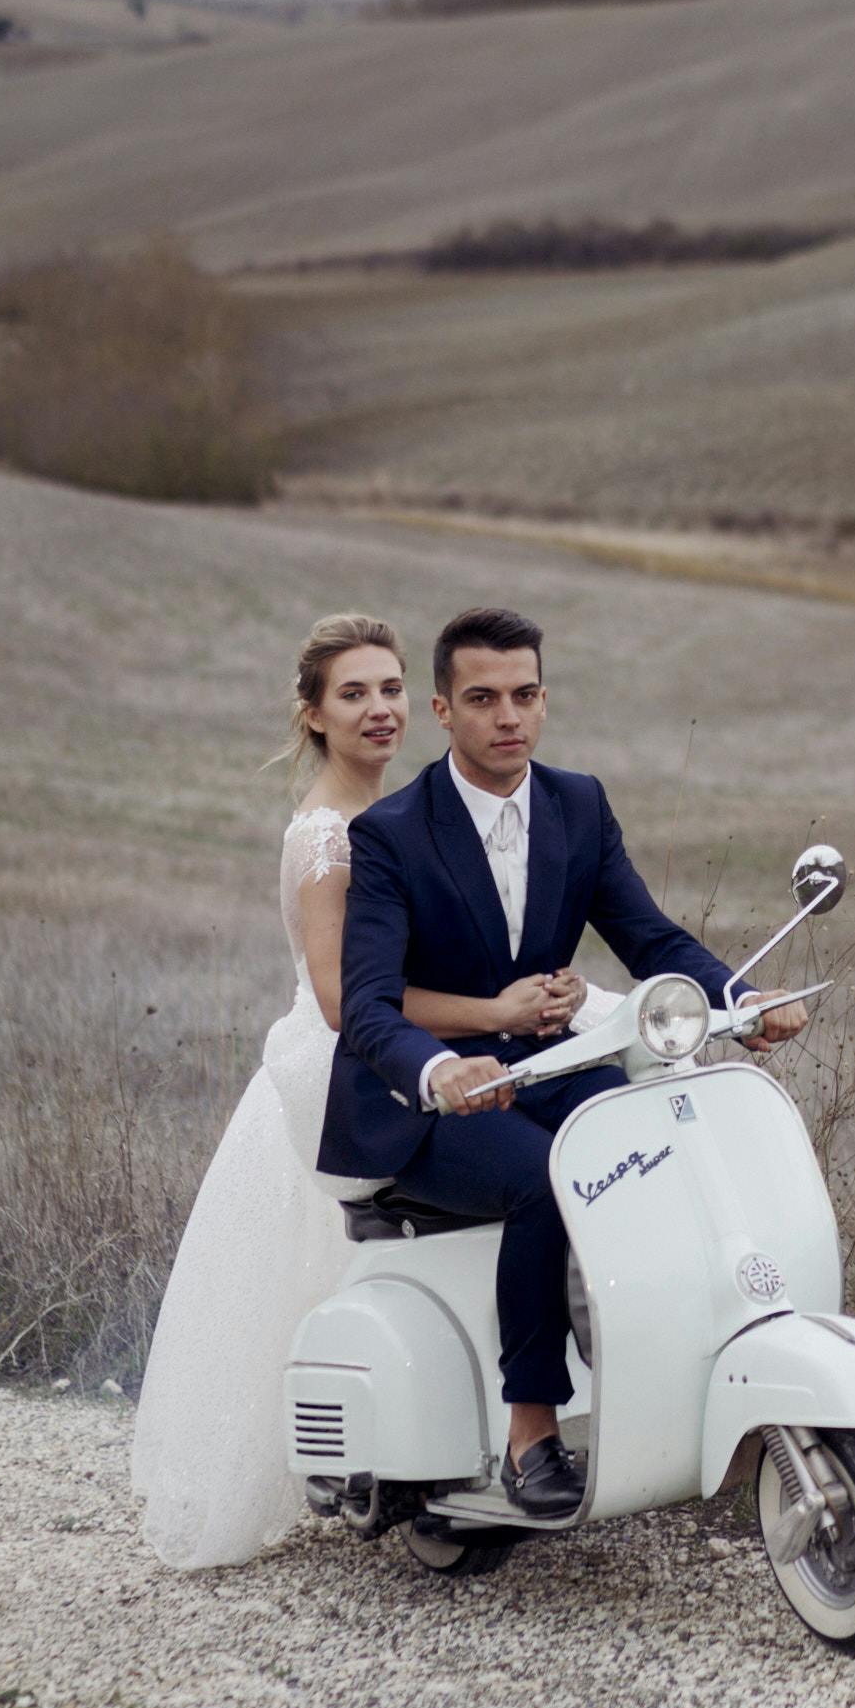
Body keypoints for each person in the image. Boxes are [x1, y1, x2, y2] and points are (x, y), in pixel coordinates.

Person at [131, 614, 592, 1570]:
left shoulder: (410, 817)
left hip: (428, 1043)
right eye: (354, 693)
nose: (379, 710)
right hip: (347, 1065)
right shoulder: (328, 836)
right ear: (312, 715)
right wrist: (489, 1008)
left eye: (389, 689)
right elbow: (348, 1000)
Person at [329, 606, 810, 1518]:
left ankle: (663, 1381)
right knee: (551, 1181)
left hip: (546, 1063)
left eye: (525, 695)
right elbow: (366, 1006)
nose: (507, 716)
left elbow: (648, 934)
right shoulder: (392, 832)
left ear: (544, 701)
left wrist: (740, 1003)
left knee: (660, 1139)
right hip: (425, 1102)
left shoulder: (578, 802)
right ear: (443, 709)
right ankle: (531, 1430)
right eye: (483, 698)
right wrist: (438, 1071)